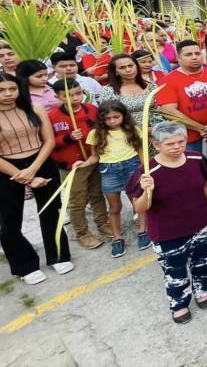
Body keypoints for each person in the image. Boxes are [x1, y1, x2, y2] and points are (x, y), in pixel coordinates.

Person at [126, 122, 207, 324]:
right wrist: (146, 189)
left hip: (200, 223)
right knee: (174, 270)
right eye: (170, 144)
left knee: (203, 261)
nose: (177, 147)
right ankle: (179, 303)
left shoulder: (196, 158)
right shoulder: (147, 171)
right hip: (167, 231)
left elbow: (206, 185)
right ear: (156, 145)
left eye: (181, 141)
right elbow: (140, 208)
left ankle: (202, 289)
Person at [0, 72, 72, 284]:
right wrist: (25, 177)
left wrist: (34, 169)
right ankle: (25, 265)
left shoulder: (35, 108)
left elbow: (49, 141)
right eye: (2, 90)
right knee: (10, 221)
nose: (8, 94)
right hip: (6, 169)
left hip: (41, 161)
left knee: (51, 210)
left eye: (12, 89)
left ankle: (58, 255)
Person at [72, 100, 148, 257]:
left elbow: (141, 151)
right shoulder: (96, 134)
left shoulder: (133, 129)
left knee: (138, 202)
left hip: (132, 168)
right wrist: (84, 164)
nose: (112, 121)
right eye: (108, 118)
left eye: (116, 117)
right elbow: (94, 157)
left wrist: (144, 169)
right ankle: (117, 238)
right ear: (101, 119)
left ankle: (143, 230)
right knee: (114, 208)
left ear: (123, 116)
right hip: (109, 171)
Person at [48, 78, 109, 250]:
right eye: (69, 95)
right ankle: (82, 232)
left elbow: (102, 131)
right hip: (71, 165)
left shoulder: (91, 110)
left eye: (78, 93)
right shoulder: (52, 116)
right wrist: (67, 138)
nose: (75, 98)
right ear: (58, 97)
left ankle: (103, 222)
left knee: (97, 194)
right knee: (77, 200)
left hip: (93, 159)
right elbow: (48, 141)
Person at [156, 40, 207, 154]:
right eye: (188, 54)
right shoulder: (168, 81)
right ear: (178, 58)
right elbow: (168, 111)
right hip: (189, 139)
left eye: (197, 53)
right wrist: (201, 128)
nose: (194, 57)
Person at [97, 54, 159, 127]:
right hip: (126, 131)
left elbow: (159, 110)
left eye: (130, 66)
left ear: (136, 66)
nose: (128, 70)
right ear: (116, 72)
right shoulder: (108, 91)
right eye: (122, 68)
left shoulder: (151, 86)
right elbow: (110, 117)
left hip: (156, 128)